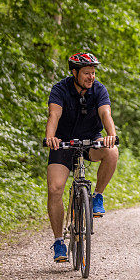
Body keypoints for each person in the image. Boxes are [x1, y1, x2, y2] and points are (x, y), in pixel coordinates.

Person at [45, 52, 119, 263]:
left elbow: (106, 114)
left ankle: (97, 196)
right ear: (75, 72)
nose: (91, 77)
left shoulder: (99, 90)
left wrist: (111, 135)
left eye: (93, 73)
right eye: (87, 73)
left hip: (90, 141)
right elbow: (54, 115)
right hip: (63, 142)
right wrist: (50, 137)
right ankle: (59, 241)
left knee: (112, 152)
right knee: (55, 188)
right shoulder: (60, 89)